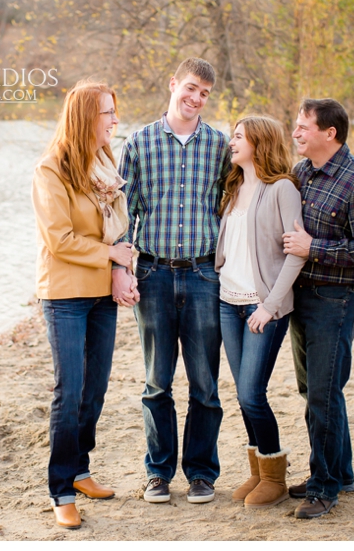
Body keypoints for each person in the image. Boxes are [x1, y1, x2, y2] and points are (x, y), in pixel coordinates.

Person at [114, 58, 231, 504]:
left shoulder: (220, 146)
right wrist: (121, 270)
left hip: (204, 275)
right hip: (155, 274)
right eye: (191, 88)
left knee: (204, 383)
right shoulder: (140, 142)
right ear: (173, 85)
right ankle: (158, 473)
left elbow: (230, 208)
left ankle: (201, 473)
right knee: (157, 381)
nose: (196, 98)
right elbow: (126, 214)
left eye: (204, 92)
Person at [31, 80, 134, 529]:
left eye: (114, 111)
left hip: (100, 294)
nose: (114, 120)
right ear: (85, 118)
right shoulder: (51, 169)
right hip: (64, 295)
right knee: (69, 391)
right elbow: (59, 239)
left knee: (95, 391)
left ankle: (81, 471)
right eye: (107, 113)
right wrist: (110, 255)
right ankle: (59, 489)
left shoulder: (104, 160)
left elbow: (116, 228)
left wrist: (118, 269)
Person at [282, 98, 354, 519]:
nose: (296, 132)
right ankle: (340, 473)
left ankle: (324, 488)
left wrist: (314, 249)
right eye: (296, 125)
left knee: (323, 396)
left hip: (339, 300)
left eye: (303, 126)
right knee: (315, 392)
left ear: (330, 133)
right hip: (303, 297)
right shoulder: (301, 173)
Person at [214, 115, 305, 508]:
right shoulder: (233, 186)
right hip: (227, 302)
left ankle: (274, 475)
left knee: (253, 393)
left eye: (237, 136)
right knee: (241, 394)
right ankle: (257, 471)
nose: (230, 142)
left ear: (259, 142)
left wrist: (269, 306)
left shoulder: (281, 188)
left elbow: (295, 254)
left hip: (262, 306)